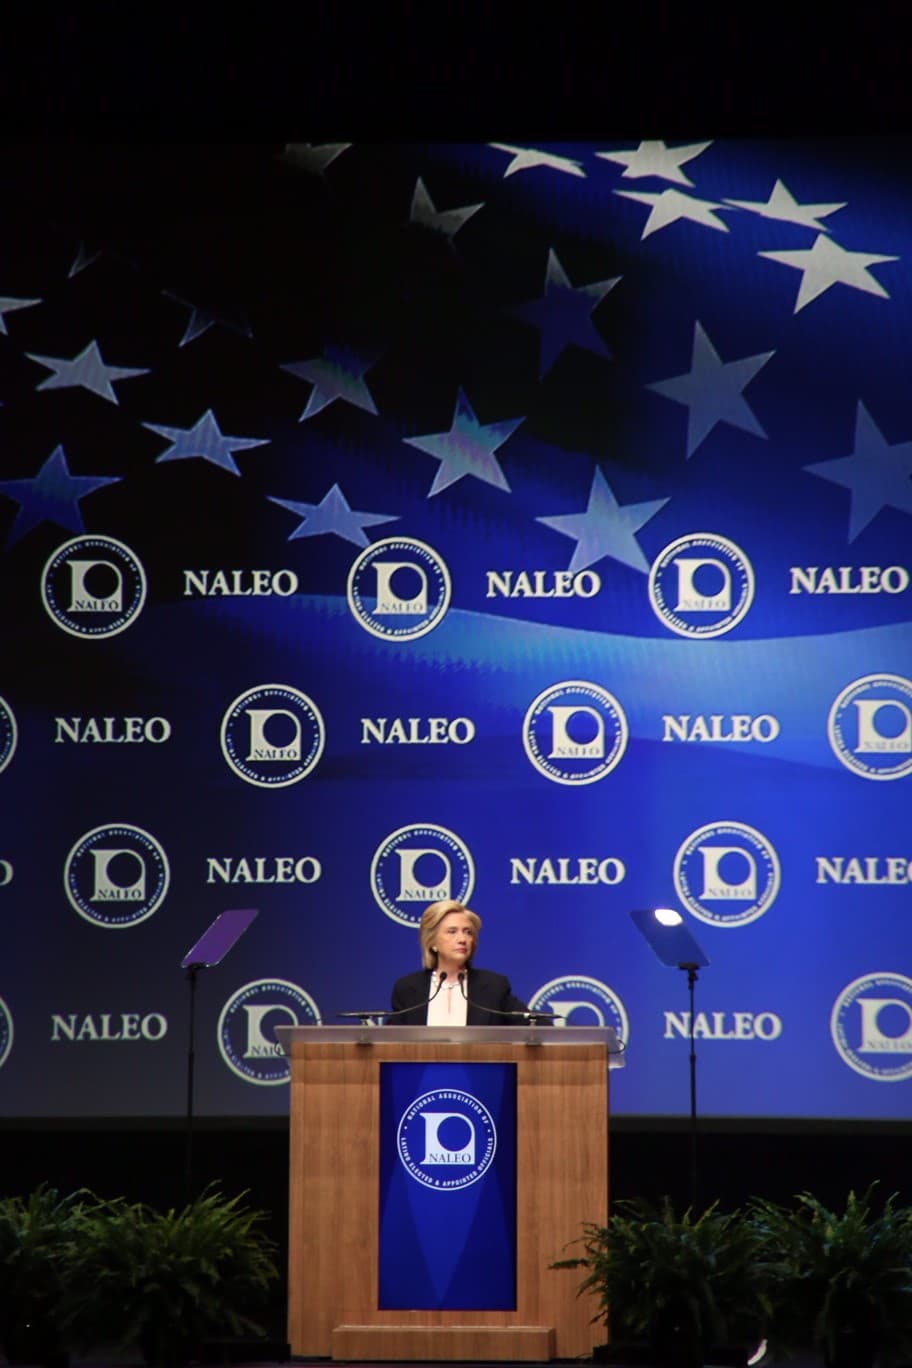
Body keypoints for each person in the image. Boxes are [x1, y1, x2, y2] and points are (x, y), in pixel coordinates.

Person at [390, 898, 533, 1025]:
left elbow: (534, 1025)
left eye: (468, 932)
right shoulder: (407, 988)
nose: (462, 939)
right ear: (432, 942)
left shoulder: (494, 986)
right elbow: (390, 1039)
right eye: (452, 932)